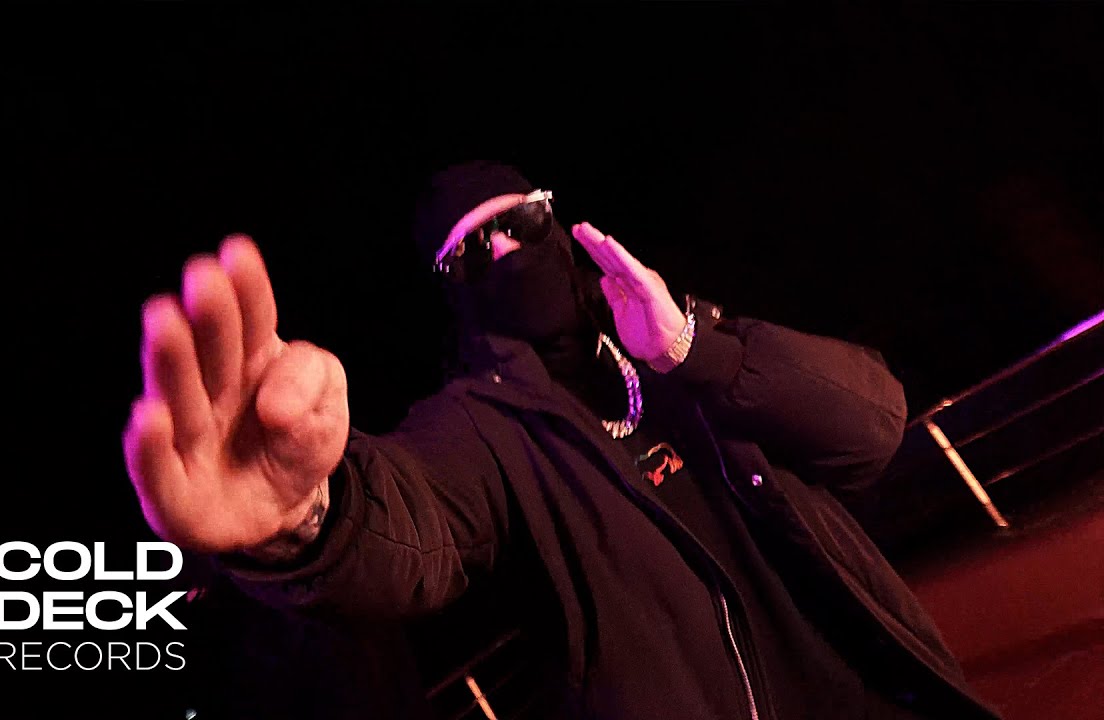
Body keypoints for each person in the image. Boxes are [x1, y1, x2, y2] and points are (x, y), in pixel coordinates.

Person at [122, 161, 1002, 719]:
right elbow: (414, 523)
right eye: (472, 252)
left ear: (560, 221)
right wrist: (306, 520)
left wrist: (694, 350)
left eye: (521, 223)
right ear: (452, 290)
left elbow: (871, 427)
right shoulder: (477, 425)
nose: (505, 250)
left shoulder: (687, 343)